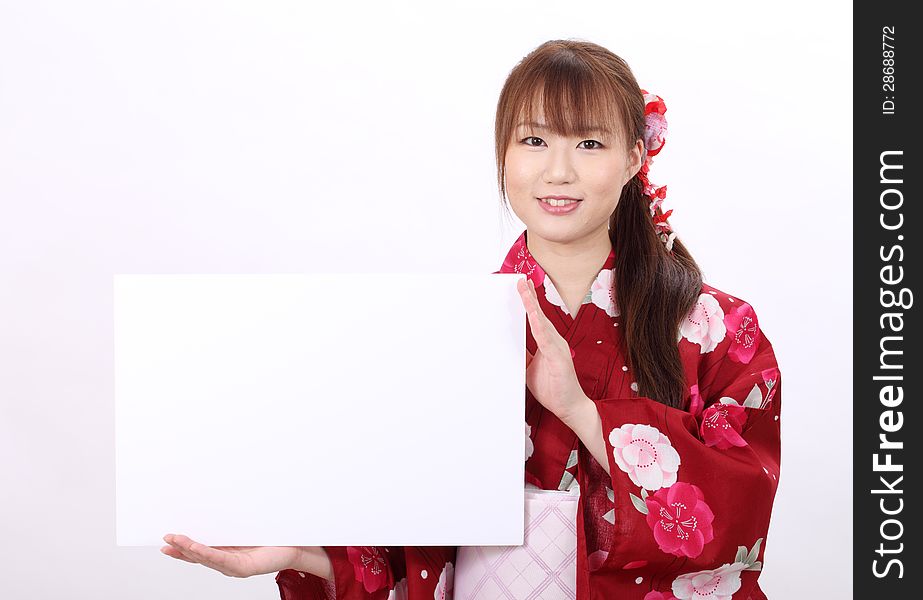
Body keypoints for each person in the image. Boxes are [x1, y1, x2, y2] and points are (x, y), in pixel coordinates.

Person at [161, 39, 782, 600]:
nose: (557, 171)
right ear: (502, 155)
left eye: (589, 143)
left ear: (634, 157)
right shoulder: (448, 332)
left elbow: (740, 516)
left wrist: (584, 414)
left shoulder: (719, 328)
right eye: (533, 140)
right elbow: (412, 546)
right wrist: (302, 555)